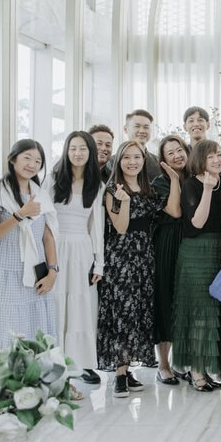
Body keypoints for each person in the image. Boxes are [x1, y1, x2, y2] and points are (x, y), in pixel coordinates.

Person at [0, 140, 58, 352]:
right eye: (27, 158)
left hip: (35, 275)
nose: (32, 164)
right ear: (12, 159)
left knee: (34, 336)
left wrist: (53, 271)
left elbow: (48, 237)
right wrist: (20, 215)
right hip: (3, 275)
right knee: (5, 336)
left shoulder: (40, 194)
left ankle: (32, 375)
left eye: (38, 161)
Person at [98, 140, 163, 398]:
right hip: (120, 257)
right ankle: (119, 374)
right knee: (122, 312)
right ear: (118, 161)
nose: (132, 162)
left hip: (144, 257)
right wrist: (123, 201)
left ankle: (127, 370)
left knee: (138, 311)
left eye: (137, 157)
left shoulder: (148, 189)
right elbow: (121, 227)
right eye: (126, 157)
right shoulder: (112, 189)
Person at [171, 139, 221, 392]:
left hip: (220, 250)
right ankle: (196, 371)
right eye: (210, 156)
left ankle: (206, 369)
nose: (216, 160)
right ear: (200, 160)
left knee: (213, 313)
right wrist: (207, 190)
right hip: (196, 253)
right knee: (199, 313)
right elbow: (197, 222)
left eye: (218, 155)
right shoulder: (191, 184)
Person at [47, 131, 106, 385]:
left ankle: (82, 363)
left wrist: (99, 262)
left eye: (83, 148)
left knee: (82, 306)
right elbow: (44, 219)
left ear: (90, 152)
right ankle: (54, 362)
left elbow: (96, 225)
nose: (78, 153)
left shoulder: (97, 185)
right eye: (73, 148)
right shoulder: (53, 179)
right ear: (66, 151)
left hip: (82, 248)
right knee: (56, 302)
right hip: (55, 246)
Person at [149, 135, 187, 385]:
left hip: (189, 243)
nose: (176, 155)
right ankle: (163, 364)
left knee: (183, 302)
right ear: (163, 160)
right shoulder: (160, 182)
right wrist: (174, 180)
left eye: (179, 150)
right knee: (165, 300)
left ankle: (181, 361)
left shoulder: (194, 177)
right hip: (166, 244)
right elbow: (174, 211)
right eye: (170, 153)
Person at [183, 105, 221, 177]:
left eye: (200, 120)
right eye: (191, 121)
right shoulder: (183, 155)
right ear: (185, 127)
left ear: (208, 125)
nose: (196, 124)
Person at [123, 109, 162, 181]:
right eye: (137, 126)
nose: (142, 131)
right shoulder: (113, 162)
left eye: (146, 127)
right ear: (125, 129)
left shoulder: (158, 162)